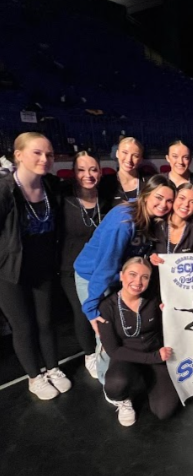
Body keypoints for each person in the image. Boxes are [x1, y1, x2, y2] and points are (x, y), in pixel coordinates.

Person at [74, 174, 175, 381]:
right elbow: (106, 266)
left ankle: (125, 376)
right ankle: (108, 385)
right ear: (145, 195)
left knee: (121, 329)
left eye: (169, 200)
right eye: (158, 198)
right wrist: (92, 307)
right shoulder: (123, 220)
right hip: (94, 277)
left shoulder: (151, 218)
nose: (163, 204)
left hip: (119, 277)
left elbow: (137, 254)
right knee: (104, 332)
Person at [0, 132, 71, 400]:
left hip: (42, 267)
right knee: (23, 326)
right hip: (10, 271)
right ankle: (34, 376)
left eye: (49, 154)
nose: (45, 159)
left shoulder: (50, 186)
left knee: (46, 321)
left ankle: (52, 367)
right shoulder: (5, 189)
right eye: (37, 153)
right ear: (18, 155)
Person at [98, 257, 179, 426]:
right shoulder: (107, 306)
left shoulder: (154, 299)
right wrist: (154, 358)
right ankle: (124, 398)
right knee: (115, 385)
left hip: (155, 353)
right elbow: (114, 351)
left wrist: (169, 314)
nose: (137, 281)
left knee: (165, 411)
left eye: (145, 277)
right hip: (127, 357)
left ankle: (146, 380)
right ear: (121, 276)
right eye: (132, 274)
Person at [59, 151, 111, 379]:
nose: (88, 175)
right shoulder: (65, 199)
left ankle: (105, 352)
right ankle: (89, 354)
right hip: (72, 269)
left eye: (93, 169)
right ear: (74, 173)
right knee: (84, 313)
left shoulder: (107, 198)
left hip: (102, 268)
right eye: (81, 170)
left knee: (104, 312)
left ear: (100, 172)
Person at [154, 183, 193, 255]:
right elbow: (150, 251)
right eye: (182, 198)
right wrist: (153, 256)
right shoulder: (158, 224)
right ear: (173, 199)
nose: (186, 204)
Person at [164, 140, 193, 218]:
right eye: (175, 156)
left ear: (190, 160)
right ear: (167, 158)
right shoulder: (160, 181)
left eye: (185, 157)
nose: (180, 162)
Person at [102, 137, 147, 206]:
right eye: (125, 153)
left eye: (135, 155)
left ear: (141, 160)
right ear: (117, 153)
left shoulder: (148, 182)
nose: (129, 159)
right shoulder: (105, 183)